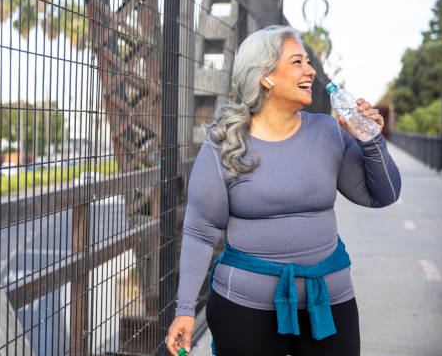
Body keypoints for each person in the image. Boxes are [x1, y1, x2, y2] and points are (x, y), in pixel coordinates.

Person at [165, 25, 401, 356]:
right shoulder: (225, 144)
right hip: (245, 307)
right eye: (297, 62)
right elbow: (200, 233)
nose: (310, 70)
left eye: (308, 61)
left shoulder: (328, 131)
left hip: (329, 303)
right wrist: (185, 310)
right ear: (266, 77)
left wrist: (371, 140)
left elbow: (383, 195)